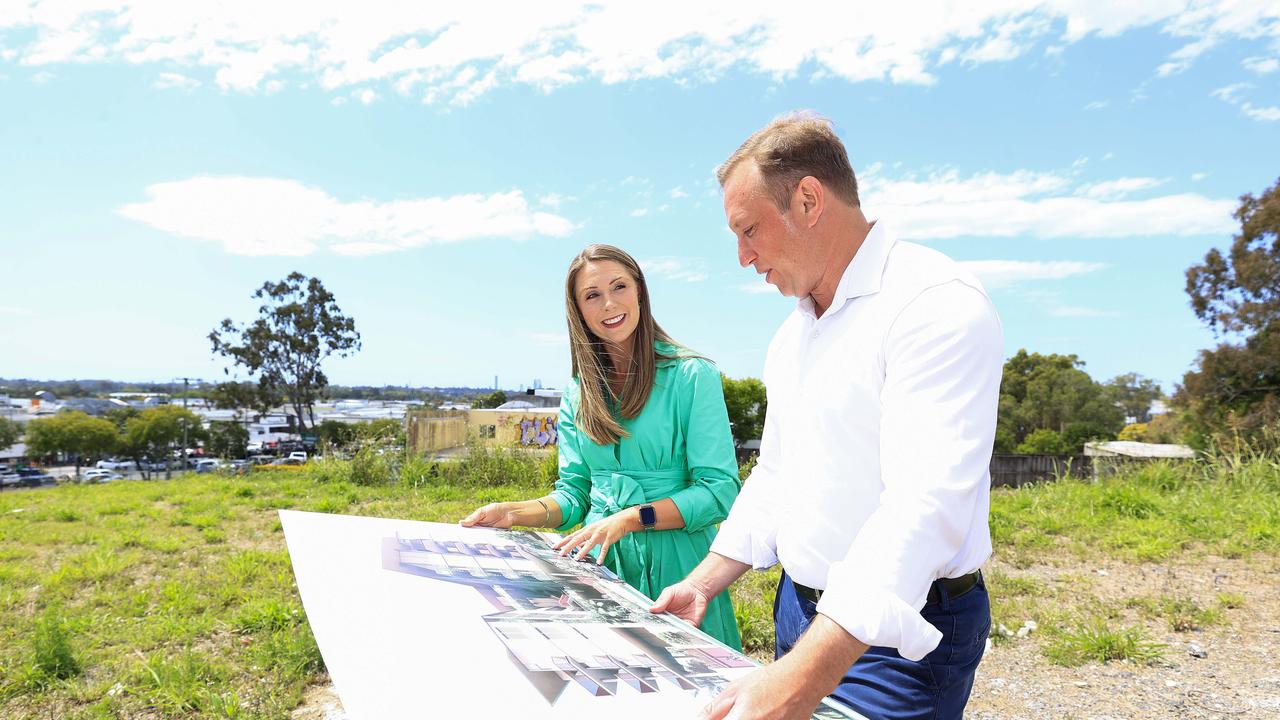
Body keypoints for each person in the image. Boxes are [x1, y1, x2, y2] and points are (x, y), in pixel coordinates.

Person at [650, 113, 1003, 719]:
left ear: (808, 200)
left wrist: (800, 678)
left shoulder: (935, 306)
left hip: (900, 635)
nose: (743, 257)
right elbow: (778, 475)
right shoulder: (793, 336)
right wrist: (703, 582)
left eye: (749, 230)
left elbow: (925, 506)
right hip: (801, 612)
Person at [461, 243, 743, 650]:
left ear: (640, 291)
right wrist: (513, 512)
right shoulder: (578, 390)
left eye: (619, 287)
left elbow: (719, 491)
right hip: (602, 568)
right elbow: (575, 494)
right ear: (578, 310)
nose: (609, 303)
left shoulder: (692, 375)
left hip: (680, 565)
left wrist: (631, 518)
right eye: (592, 295)